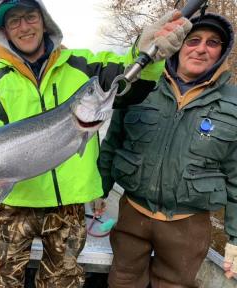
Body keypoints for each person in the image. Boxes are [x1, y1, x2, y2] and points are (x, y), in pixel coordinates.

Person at [0, 0, 191, 287]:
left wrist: (148, 52)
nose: (24, 27)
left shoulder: (84, 64)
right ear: (4, 32)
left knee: (63, 282)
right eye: (14, 21)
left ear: (44, 20)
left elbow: (128, 76)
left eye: (30, 16)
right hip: (14, 201)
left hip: (70, 205)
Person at [99, 12, 236, 287]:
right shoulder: (141, 87)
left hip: (188, 225)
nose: (200, 48)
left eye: (212, 43)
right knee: (122, 280)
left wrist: (235, 237)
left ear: (222, 53)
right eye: (193, 40)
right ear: (178, 45)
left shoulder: (233, 104)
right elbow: (111, 145)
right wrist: (98, 192)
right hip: (133, 214)